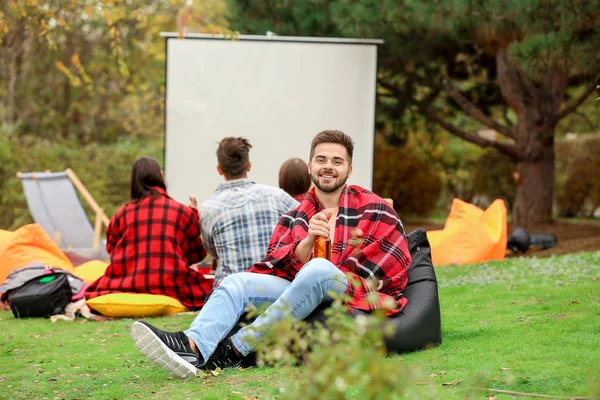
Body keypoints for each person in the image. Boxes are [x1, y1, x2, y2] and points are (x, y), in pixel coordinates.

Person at [131, 130, 412, 378]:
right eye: (321, 160)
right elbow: (277, 266)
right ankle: (193, 346)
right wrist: (309, 241)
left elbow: (392, 263)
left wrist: (326, 266)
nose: (328, 167)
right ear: (311, 166)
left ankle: (235, 348)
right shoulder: (294, 216)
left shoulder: (374, 208)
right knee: (236, 282)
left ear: (349, 169)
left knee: (319, 270)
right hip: (303, 285)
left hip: (349, 286)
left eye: (337, 161)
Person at [85, 156, 211, 310]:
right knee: (211, 290)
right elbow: (196, 255)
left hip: (126, 283)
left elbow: (112, 251)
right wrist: (193, 214)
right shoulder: (183, 212)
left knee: (93, 288)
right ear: (161, 176)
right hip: (172, 285)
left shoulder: (121, 214)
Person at [199, 137, 299, 288]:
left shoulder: (208, 208)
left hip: (230, 292)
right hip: (274, 288)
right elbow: (304, 221)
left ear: (219, 169)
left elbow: (213, 252)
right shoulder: (277, 197)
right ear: (249, 166)